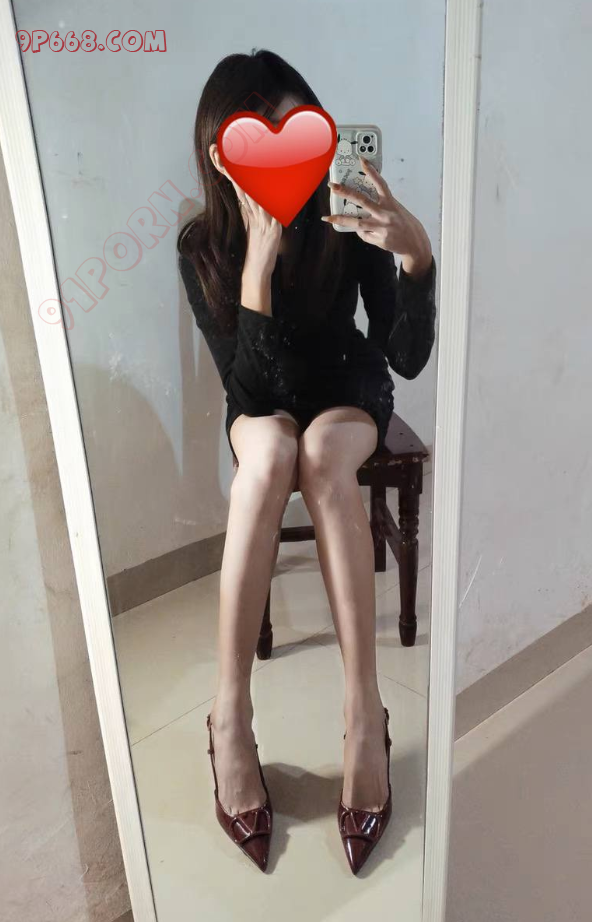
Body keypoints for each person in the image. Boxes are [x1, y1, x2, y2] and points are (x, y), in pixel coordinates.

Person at [177, 49, 436, 874]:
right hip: (262, 398)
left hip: (347, 387)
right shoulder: (202, 246)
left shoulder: (343, 215)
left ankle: (365, 716)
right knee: (271, 450)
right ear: (222, 155)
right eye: (262, 142)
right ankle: (230, 717)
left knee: (320, 450)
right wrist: (256, 265)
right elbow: (248, 388)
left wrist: (416, 259)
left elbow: (403, 356)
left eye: (301, 135)